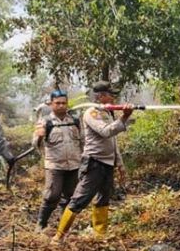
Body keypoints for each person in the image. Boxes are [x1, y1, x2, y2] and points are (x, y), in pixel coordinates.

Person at [52, 81, 133, 242]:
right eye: (111, 94)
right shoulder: (91, 113)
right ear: (101, 96)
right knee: (80, 199)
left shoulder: (108, 113)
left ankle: (100, 235)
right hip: (94, 162)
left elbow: (113, 143)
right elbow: (105, 132)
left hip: (108, 163)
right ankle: (58, 237)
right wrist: (124, 117)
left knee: (103, 198)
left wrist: (120, 164)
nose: (114, 97)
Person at [32, 90, 84, 232]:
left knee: (70, 197)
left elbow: (83, 141)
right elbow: (35, 144)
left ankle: (65, 225)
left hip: (74, 164)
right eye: (58, 103)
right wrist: (40, 136)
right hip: (55, 165)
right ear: (51, 104)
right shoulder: (45, 122)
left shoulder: (75, 120)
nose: (61, 106)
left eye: (64, 103)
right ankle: (41, 224)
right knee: (51, 195)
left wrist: (85, 160)